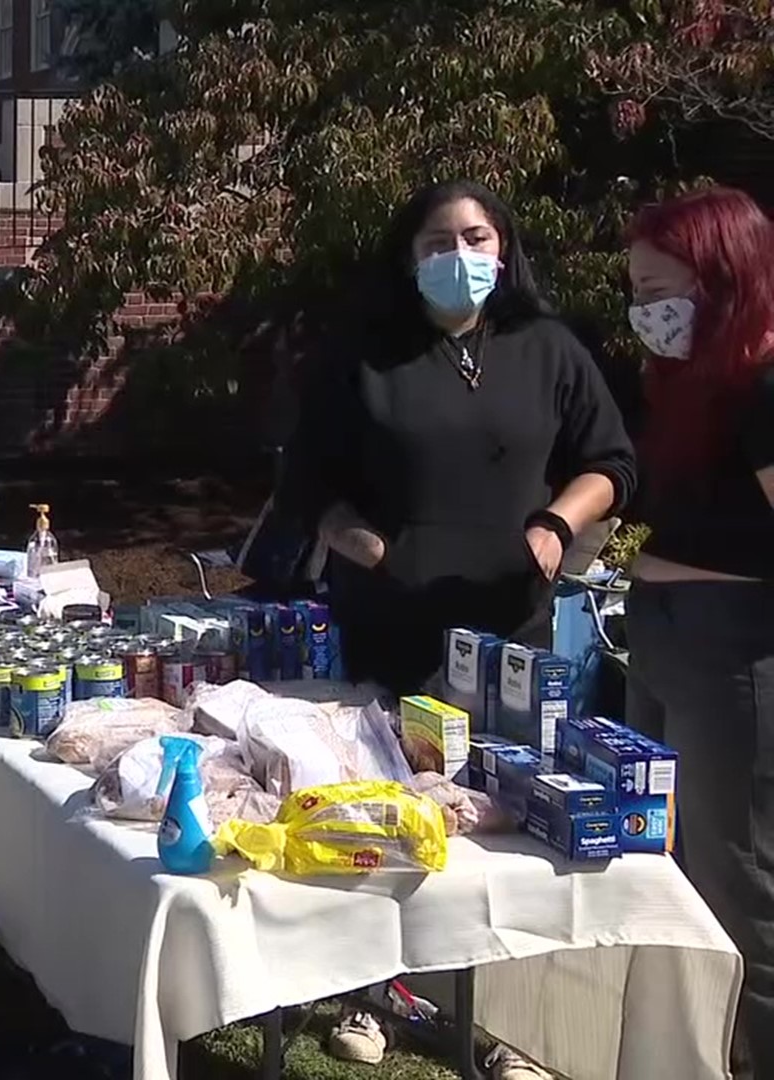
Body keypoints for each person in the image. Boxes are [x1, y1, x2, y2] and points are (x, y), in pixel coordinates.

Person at [278, 180, 635, 694]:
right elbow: (307, 487)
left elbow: (610, 463)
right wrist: (384, 556)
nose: (459, 255)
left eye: (475, 238)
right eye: (438, 243)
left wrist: (554, 529)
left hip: (514, 629)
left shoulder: (550, 347)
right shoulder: (357, 356)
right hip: (388, 627)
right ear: (410, 258)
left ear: (503, 248)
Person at [620, 186, 774, 1078]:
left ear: (723, 279)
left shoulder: (765, 386)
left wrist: (689, 576)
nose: (648, 314)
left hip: (735, 651)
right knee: (663, 868)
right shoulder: (692, 388)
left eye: (661, 291)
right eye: (638, 296)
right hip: (669, 643)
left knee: (739, 882)